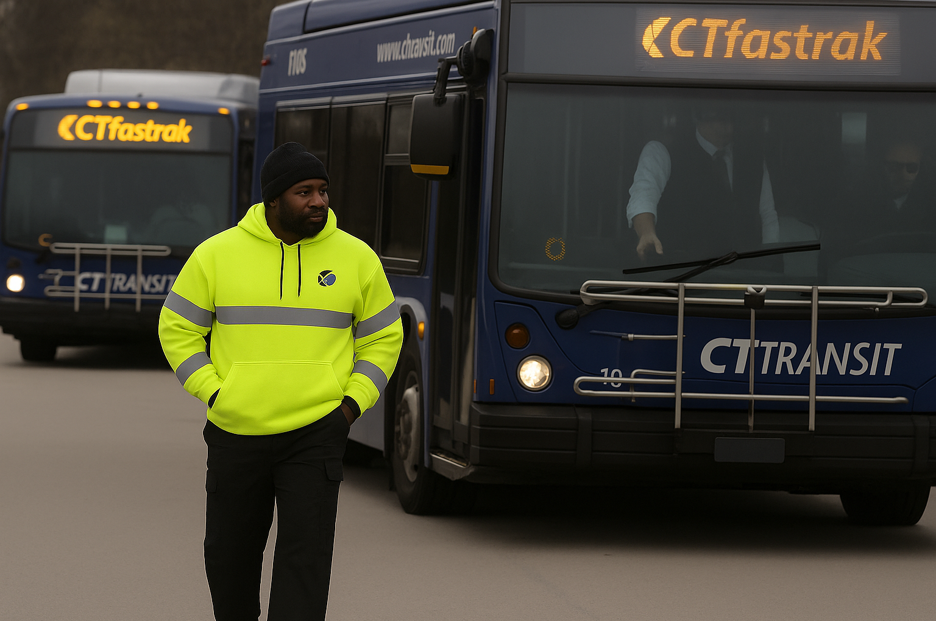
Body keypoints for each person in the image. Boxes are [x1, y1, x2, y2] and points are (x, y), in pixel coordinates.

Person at [158, 142, 404, 621]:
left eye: (322, 190)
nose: (318, 201)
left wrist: (351, 405)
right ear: (273, 199)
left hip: (317, 431)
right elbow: (177, 328)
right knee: (228, 558)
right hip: (235, 429)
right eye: (303, 192)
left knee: (305, 561)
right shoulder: (216, 254)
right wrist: (214, 391)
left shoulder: (357, 258)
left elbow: (383, 338)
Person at [626, 108, 779, 260]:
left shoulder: (753, 160)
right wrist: (646, 233)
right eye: (721, 117)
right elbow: (643, 196)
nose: (729, 126)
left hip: (745, 270)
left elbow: (767, 215)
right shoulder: (663, 151)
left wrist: (771, 259)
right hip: (682, 269)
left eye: (733, 118)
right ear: (701, 114)